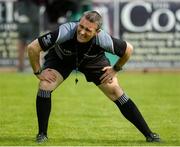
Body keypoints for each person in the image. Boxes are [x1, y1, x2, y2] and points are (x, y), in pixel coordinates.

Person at [27, 11, 160, 143]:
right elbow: (33, 48)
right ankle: (42, 134)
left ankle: (149, 134)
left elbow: (128, 49)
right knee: (45, 85)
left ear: (97, 32)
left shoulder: (102, 38)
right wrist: (39, 72)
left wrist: (115, 69)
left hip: (93, 61)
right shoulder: (66, 30)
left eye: (88, 30)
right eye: (81, 26)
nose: (82, 32)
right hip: (62, 59)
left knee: (115, 91)